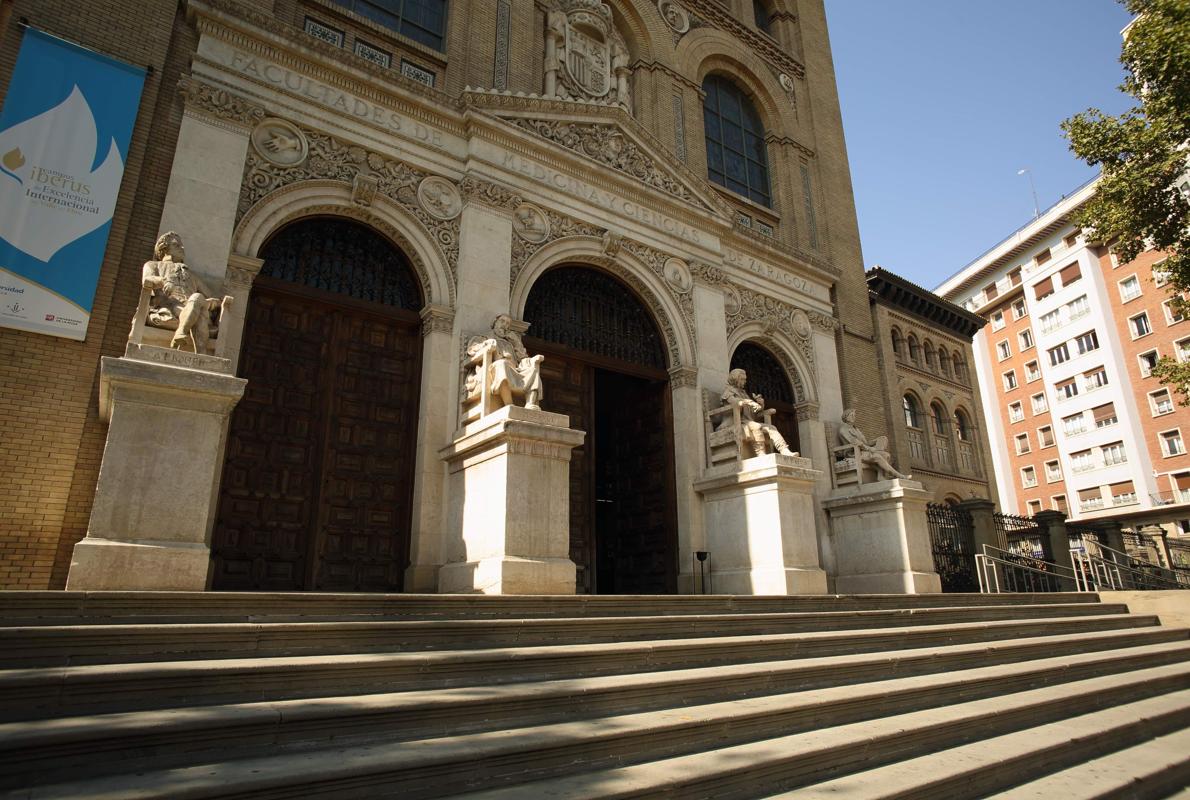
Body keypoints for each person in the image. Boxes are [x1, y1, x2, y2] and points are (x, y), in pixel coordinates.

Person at [141, 232, 224, 352]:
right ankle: (201, 357)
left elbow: (213, 297)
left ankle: (181, 332)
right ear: (165, 249)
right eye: (176, 245)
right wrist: (163, 281)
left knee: (197, 299)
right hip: (168, 305)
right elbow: (147, 279)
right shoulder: (153, 265)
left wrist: (213, 302)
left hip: (190, 305)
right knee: (199, 313)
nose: (182, 248)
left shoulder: (191, 276)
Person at [466, 314, 545, 412]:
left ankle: (530, 403)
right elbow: (471, 349)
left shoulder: (510, 342)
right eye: (502, 321)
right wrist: (487, 344)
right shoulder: (484, 337)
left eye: (508, 323)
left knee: (532, 370)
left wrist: (516, 342)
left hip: (514, 369)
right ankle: (509, 404)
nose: (505, 325)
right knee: (502, 364)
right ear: (495, 322)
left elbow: (522, 357)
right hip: (494, 367)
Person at [719, 368, 796, 457]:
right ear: (736, 379)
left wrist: (760, 404)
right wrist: (749, 402)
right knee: (756, 426)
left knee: (772, 428)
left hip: (747, 421)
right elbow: (734, 402)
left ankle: (784, 450)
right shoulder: (728, 392)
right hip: (735, 422)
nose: (745, 381)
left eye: (745, 379)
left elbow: (752, 413)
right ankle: (760, 453)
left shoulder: (743, 393)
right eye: (742, 379)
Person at [838, 407, 910, 480]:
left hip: (863, 450)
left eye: (854, 415)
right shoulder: (843, 429)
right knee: (877, 457)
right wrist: (869, 448)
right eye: (851, 415)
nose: (854, 417)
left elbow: (865, 443)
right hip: (853, 453)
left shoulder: (856, 429)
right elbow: (856, 442)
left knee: (886, 454)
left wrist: (877, 440)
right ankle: (899, 476)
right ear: (846, 417)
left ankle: (881, 476)